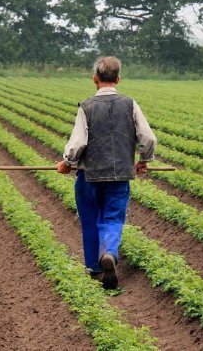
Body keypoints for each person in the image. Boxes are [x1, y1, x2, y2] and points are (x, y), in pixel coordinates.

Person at [56, 56, 157, 290]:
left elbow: (78, 142)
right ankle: (109, 252)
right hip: (120, 175)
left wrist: (67, 162)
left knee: (90, 219)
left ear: (95, 79)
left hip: (89, 176)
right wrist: (143, 160)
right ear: (118, 79)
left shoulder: (87, 107)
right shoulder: (130, 104)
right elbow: (148, 137)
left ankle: (95, 269)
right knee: (112, 218)